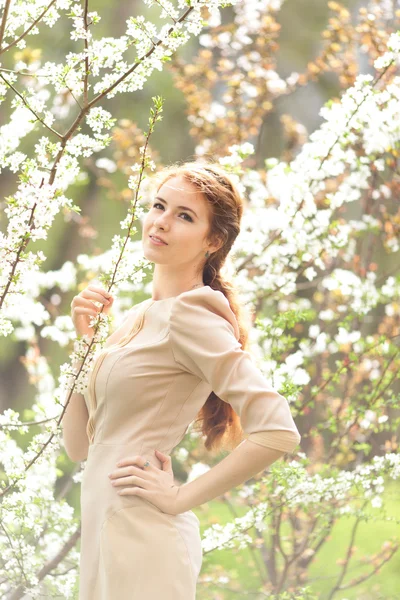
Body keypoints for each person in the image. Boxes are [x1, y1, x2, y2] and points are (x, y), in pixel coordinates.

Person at [62, 161, 301, 600]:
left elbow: (278, 430)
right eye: (158, 206)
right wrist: (84, 344)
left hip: (143, 539)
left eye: (183, 216)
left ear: (213, 241)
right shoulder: (137, 318)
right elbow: (80, 446)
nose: (161, 222)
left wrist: (178, 498)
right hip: (106, 533)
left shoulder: (191, 314)